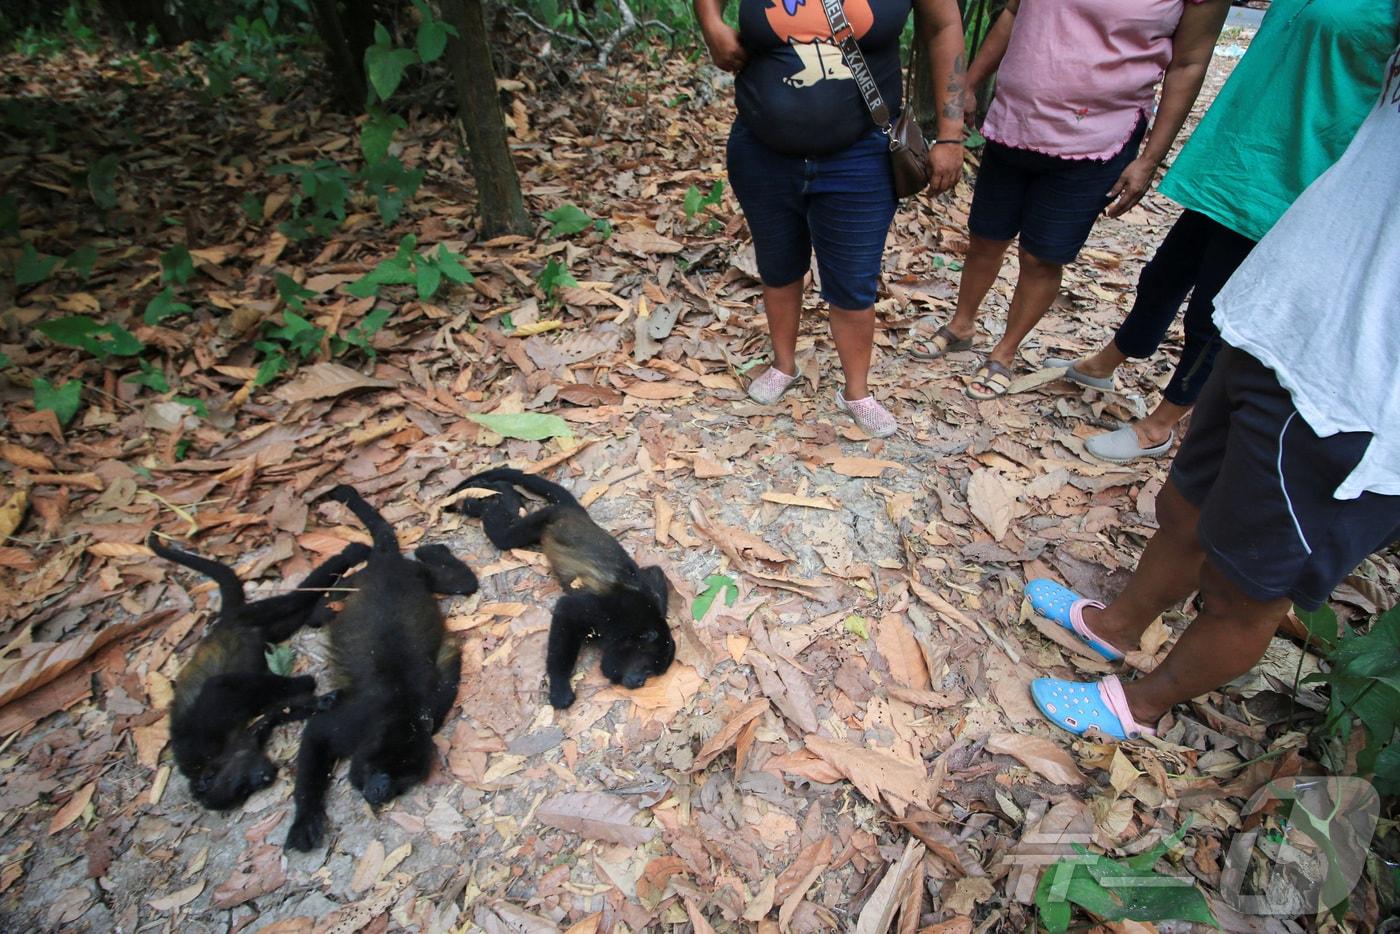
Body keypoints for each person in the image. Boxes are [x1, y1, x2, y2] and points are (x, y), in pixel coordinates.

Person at [1023, 45, 1400, 741]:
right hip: (1277, 320)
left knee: (1246, 586)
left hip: (1356, 393)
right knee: (1184, 506)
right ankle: (1116, 625)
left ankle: (1141, 706)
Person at [1060, 0, 1400, 463]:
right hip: (1236, 157)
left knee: (1212, 313)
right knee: (1163, 277)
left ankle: (1159, 426)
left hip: (1294, 176)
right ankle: (1104, 363)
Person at [911, 0, 1230, 400]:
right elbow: (1013, 12)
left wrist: (1149, 160)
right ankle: (961, 325)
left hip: (1096, 138)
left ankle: (1004, 352)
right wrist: (969, 84)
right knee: (985, 236)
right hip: (1016, 119)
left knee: (1041, 256)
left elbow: (1188, 64)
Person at [695, 0, 966, 437]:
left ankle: (856, 392)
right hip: (762, 149)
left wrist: (951, 135)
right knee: (777, 263)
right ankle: (784, 365)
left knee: (853, 279)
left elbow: (943, 25)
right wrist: (710, 21)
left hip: (861, 151)